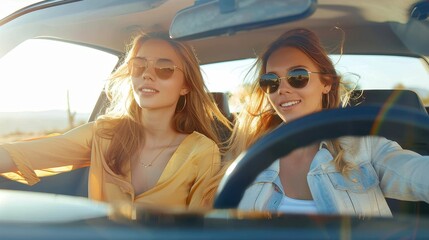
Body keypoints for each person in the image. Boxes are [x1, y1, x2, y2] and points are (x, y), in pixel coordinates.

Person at [0, 32, 231, 210]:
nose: (147, 74)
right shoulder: (103, 133)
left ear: (186, 85)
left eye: (164, 68)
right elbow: (17, 155)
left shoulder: (202, 152)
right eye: (139, 66)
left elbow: (200, 230)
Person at [212, 28, 429, 217]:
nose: (283, 89)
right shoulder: (248, 156)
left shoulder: (364, 147)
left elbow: (416, 174)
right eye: (271, 81)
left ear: (326, 83)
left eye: (298, 76)